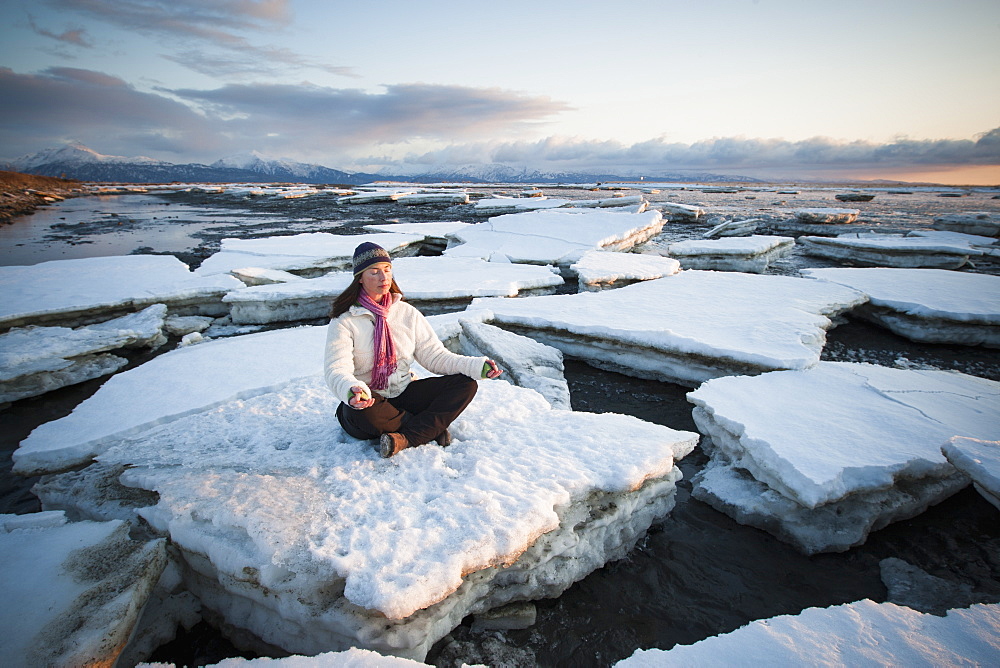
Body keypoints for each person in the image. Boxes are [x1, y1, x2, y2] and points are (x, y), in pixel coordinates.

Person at [324, 242, 503, 458]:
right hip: (370, 399)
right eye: (374, 272)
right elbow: (337, 368)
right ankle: (428, 428)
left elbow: (436, 357)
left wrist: (475, 366)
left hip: (404, 392)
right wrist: (351, 390)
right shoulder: (345, 320)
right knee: (365, 415)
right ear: (360, 278)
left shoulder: (407, 313)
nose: (384, 278)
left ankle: (406, 438)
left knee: (465, 384)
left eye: (387, 270)